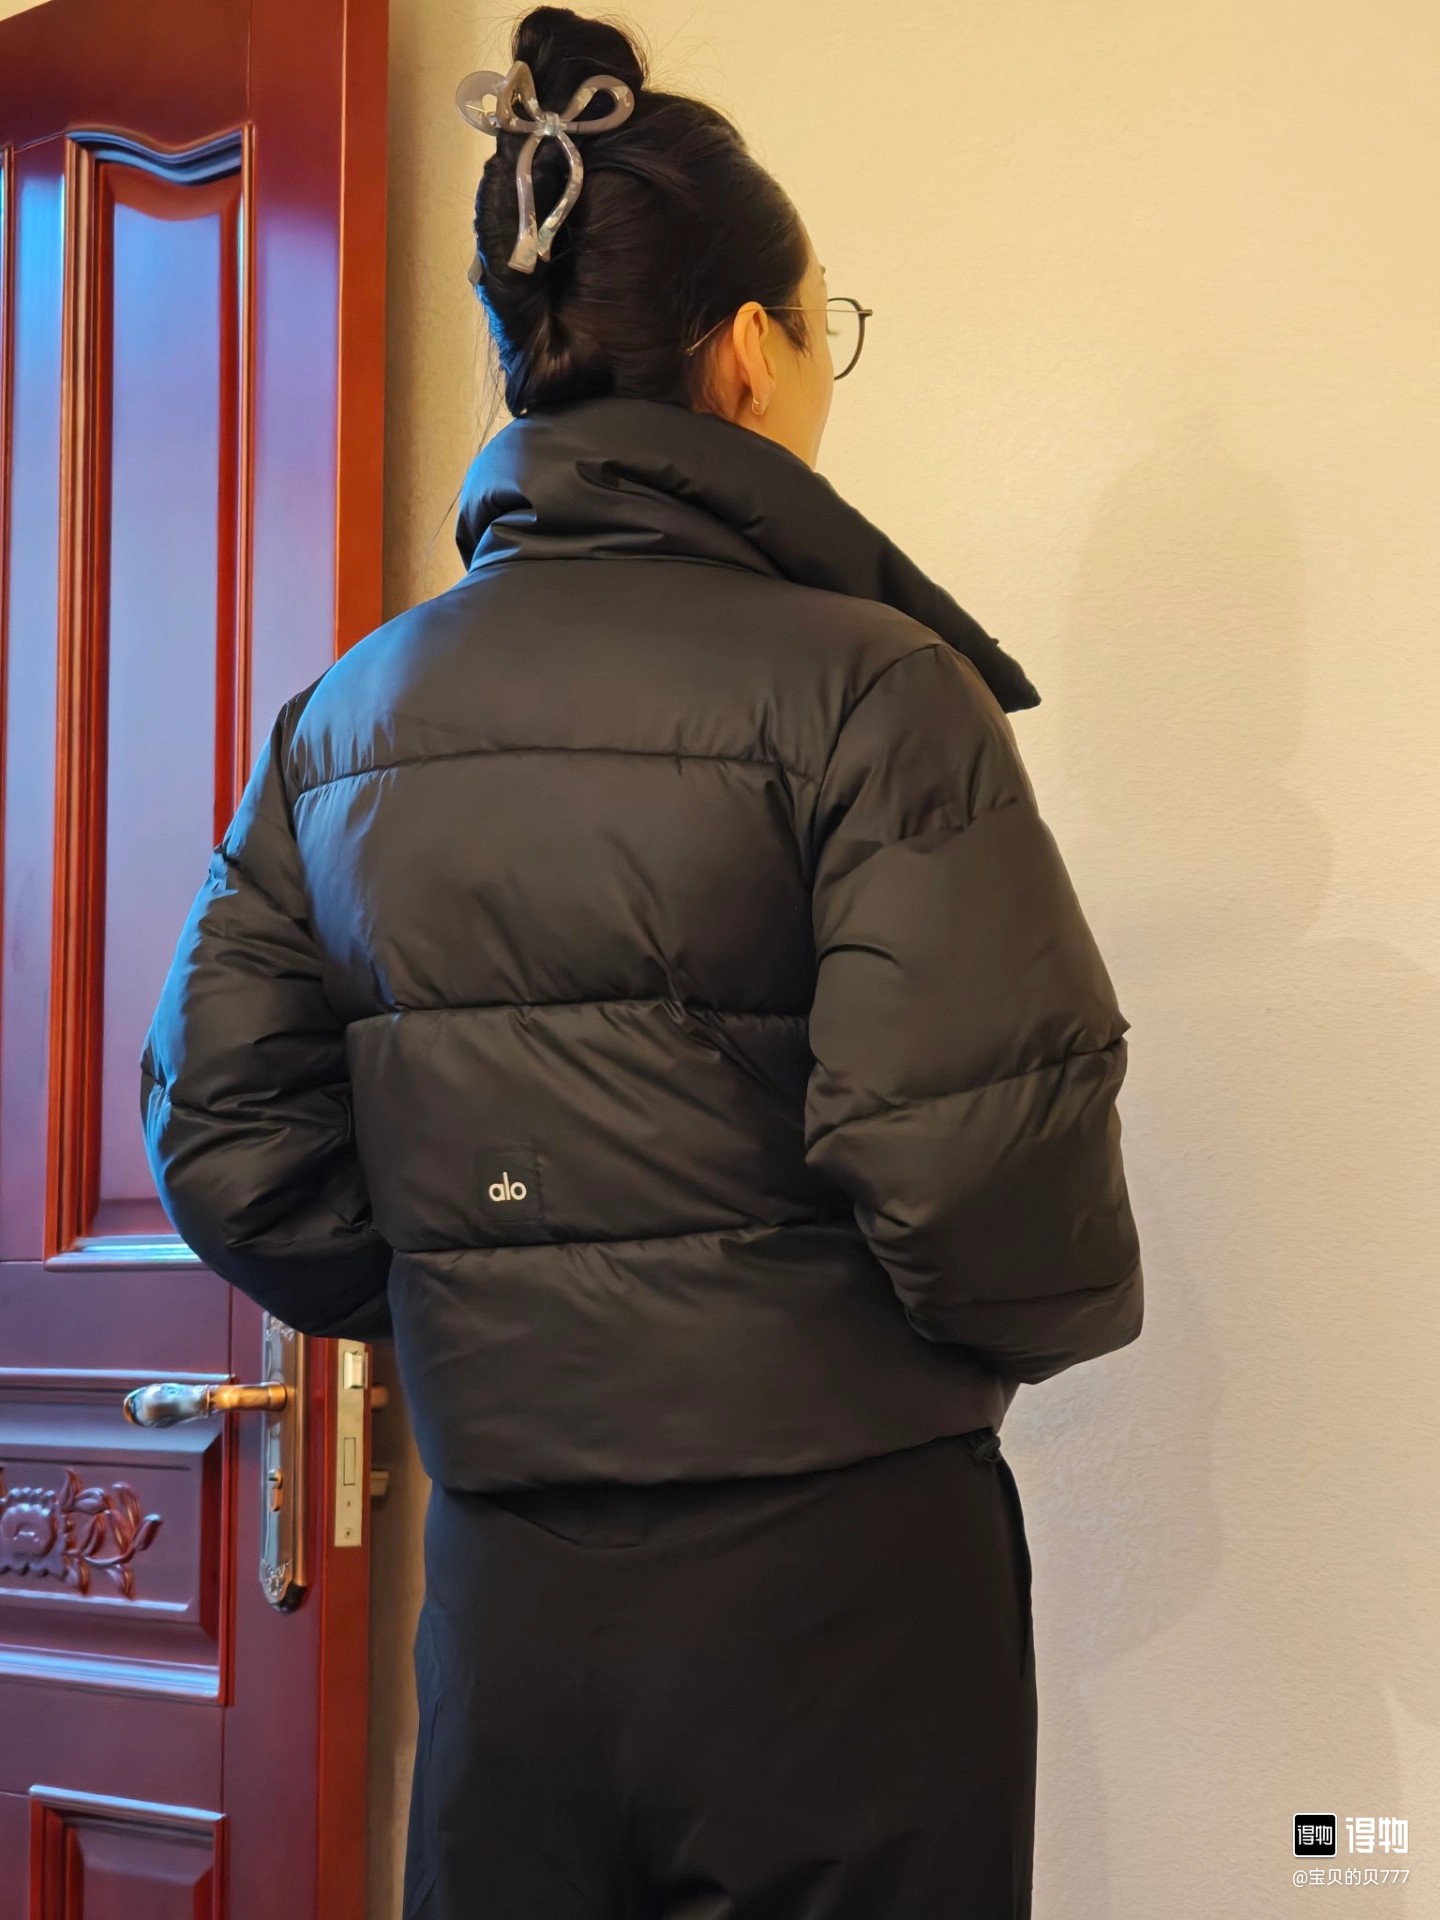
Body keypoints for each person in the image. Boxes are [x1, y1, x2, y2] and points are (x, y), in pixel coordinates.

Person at [139, 8, 1144, 1915]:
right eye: (826, 331)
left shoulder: (346, 719)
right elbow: (982, 1176)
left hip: (509, 1584)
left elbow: (228, 1140)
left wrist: (498, 1294)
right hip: (840, 1585)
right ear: (751, 351)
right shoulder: (876, 687)